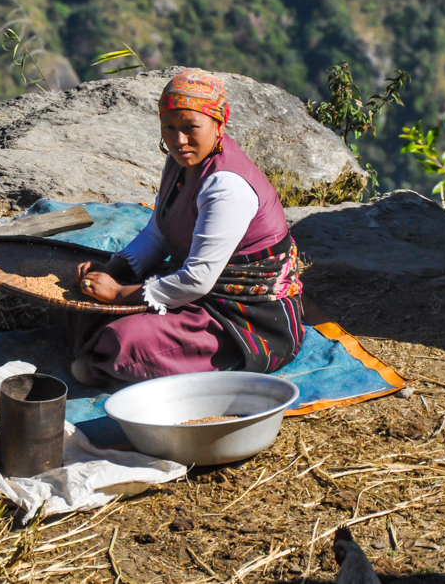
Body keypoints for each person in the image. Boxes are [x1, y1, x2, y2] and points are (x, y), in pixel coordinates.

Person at [70, 68, 306, 389]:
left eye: (191, 127)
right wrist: (115, 269)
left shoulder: (226, 186)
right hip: (191, 286)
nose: (179, 140)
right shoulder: (182, 161)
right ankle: (107, 359)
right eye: (169, 127)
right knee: (75, 301)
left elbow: (197, 280)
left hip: (241, 314)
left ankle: (112, 362)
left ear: (218, 124)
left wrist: (120, 294)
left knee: (124, 341)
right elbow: (160, 229)